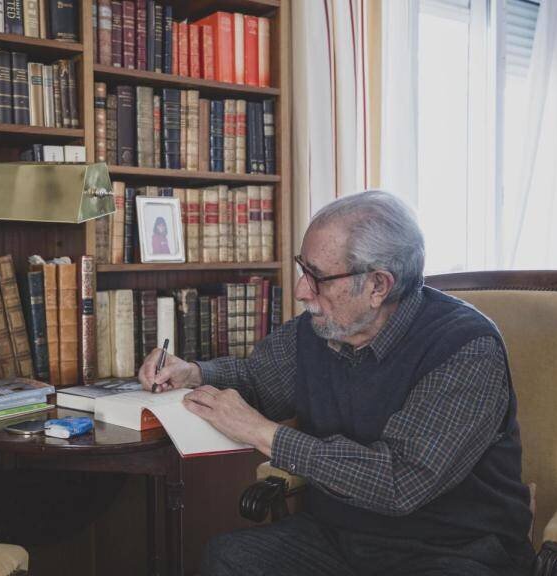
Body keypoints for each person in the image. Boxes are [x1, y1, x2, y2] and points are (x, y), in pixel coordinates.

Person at [137, 190, 533, 576]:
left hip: (451, 549)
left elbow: (400, 482)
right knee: (230, 558)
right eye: (302, 267)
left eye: (318, 277)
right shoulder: (319, 329)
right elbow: (257, 382)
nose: (300, 291)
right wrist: (193, 373)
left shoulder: (465, 348)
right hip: (340, 537)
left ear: (378, 285)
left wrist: (265, 435)